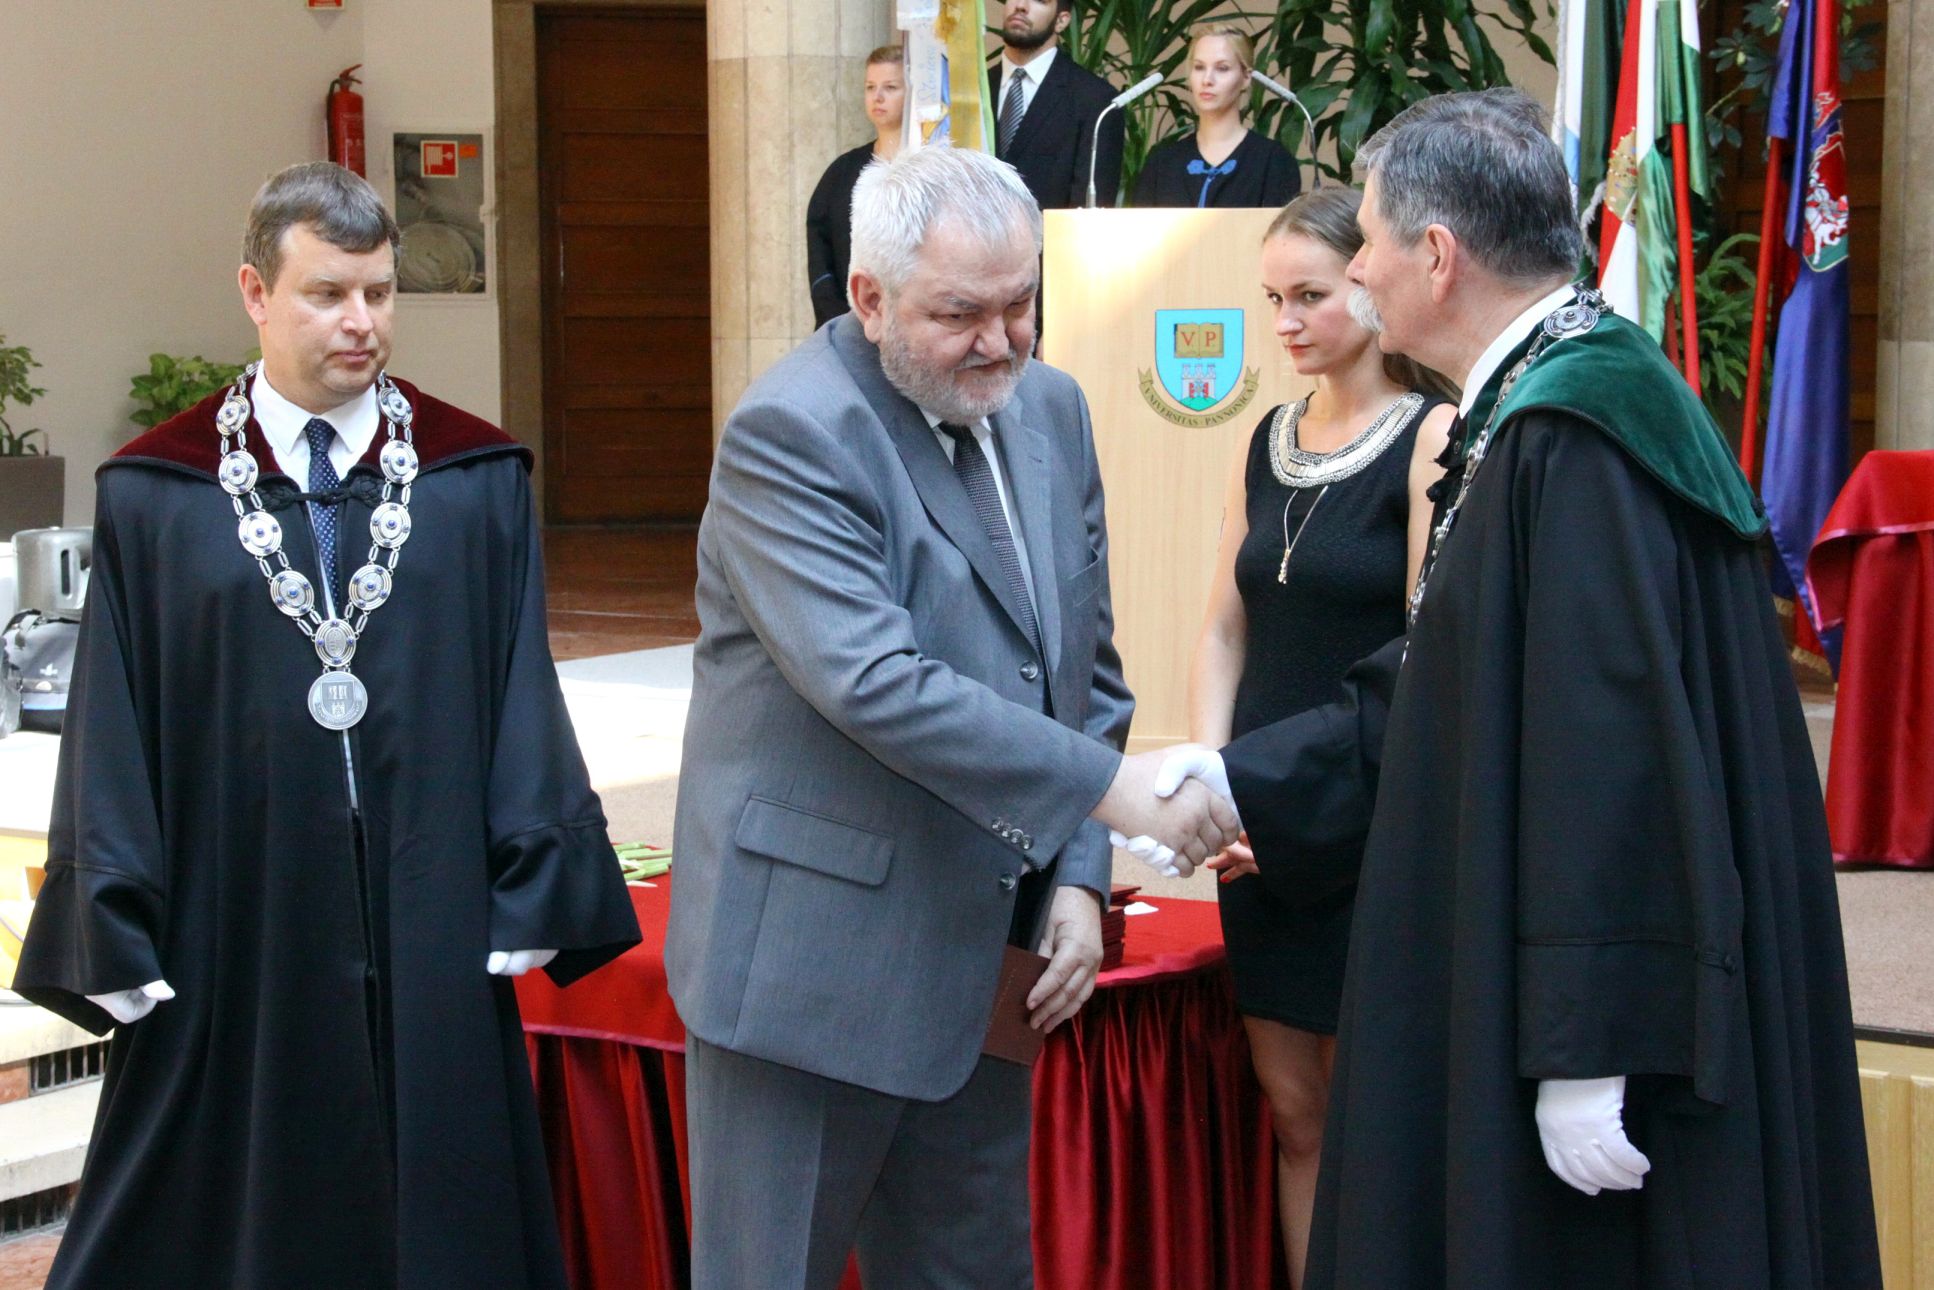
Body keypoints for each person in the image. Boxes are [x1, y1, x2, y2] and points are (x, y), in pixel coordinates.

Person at [1136, 88, 1881, 1287]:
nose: (1358, 268)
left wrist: (1588, 1047)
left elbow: (1608, 753)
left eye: (1368, 240)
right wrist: (1237, 780)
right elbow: (1451, 685)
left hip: (1604, 1023)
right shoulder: (1541, 402)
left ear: (1435, 256)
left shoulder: (1567, 434)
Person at [14, 162, 641, 1289]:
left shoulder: (471, 479)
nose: (362, 322)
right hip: (236, 909)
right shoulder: (158, 494)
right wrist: (108, 908)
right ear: (255, 293)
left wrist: (537, 865)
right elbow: (113, 719)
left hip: (429, 900)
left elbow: (519, 684)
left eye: (379, 293)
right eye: (328, 294)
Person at [665, 143, 1238, 1289]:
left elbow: (1081, 674)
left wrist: (1075, 876)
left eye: (1019, 303)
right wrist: (1112, 796)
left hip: (988, 964)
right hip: (808, 977)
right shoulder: (793, 432)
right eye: (958, 314)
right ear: (868, 298)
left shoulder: (1051, 410)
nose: (998, 341)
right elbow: (875, 684)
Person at [1179, 186, 1449, 1285]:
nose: (1284, 322)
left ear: (1371, 286)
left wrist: (1279, 797)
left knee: (1372, 1113)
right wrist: (1212, 781)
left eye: (1309, 295)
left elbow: (1427, 653)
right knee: (1293, 1110)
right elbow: (1221, 627)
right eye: (1271, 299)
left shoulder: (1432, 438)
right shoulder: (1265, 437)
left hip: (1361, 815)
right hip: (1253, 824)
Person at [1131, 27, 1299, 209]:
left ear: (1246, 77)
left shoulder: (1273, 161)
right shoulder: (1162, 164)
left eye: (1222, 68)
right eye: (1199, 67)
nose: (1207, 80)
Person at [989, 0, 1124, 209]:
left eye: (1040, 1)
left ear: (1061, 21)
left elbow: (1090, 211)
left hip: (1051, 230)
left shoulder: (1094, 99)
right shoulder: (970, 90)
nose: (1021, 5)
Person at [806, 45, 904, 329]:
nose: (878, 97)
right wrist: (837, 319)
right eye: (870, 87)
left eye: (890, 87)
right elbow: (819, 249)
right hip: (850, 323)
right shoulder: (842, 172)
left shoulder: (933, 169)